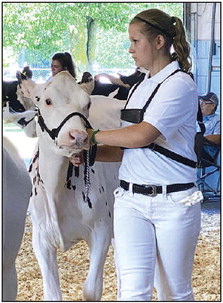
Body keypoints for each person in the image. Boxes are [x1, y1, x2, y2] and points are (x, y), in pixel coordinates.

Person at [72, 8, 203, 301]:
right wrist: (89, 152)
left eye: (135, 41)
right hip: (131, 201)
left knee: (174, 292)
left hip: (174, 203)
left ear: (158, 41)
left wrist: (90, 136)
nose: (130, 49)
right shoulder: (139, 88)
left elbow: (143, 135)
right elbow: (126, 147)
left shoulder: (180, 84)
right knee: (132, 292)